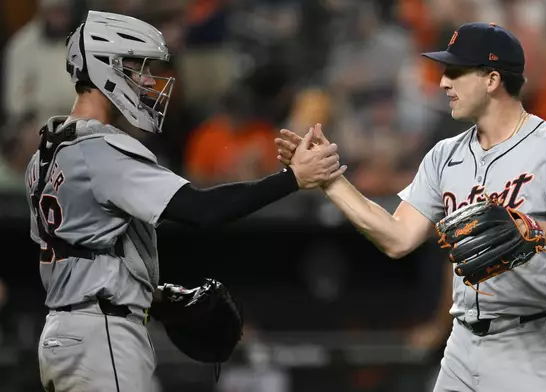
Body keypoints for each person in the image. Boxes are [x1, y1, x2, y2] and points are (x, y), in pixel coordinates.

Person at [275, 22, 546, 392]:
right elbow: (397, 237)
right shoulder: (444, 156)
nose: (444, 82)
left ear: (492, 79)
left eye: (456, 72)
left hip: (535, 343)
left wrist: (540, 231)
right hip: (464, 343)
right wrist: (331, 180)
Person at [26, 10, 345, 392]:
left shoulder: (46, 154)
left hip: (60, 334)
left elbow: (79, 249)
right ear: (103, 67)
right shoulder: (103, 149)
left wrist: (148, 294)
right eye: (135, 67)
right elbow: (201, 210)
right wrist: (292, 179)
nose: (147, 80)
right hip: (102, 335)